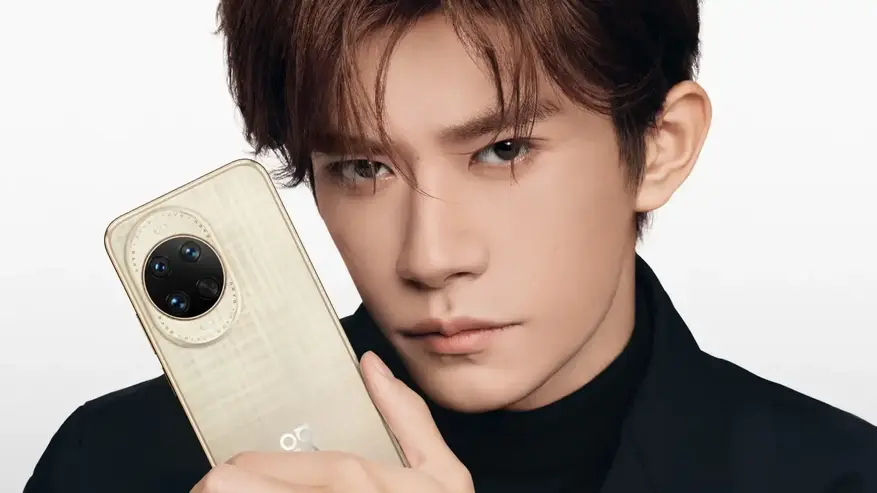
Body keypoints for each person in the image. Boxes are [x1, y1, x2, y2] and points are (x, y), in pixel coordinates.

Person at [25, 1, 877, 492]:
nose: (429, 256)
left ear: (660, 147)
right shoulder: (116, 463)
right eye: (362, 167)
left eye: (502, 151)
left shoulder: (836, 476)